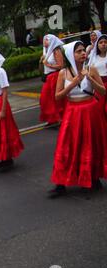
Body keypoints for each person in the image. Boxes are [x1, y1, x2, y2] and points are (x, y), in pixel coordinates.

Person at [49, 41, 107, 198]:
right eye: (78, 51)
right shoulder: (63, 73)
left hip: (90, 111)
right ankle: (60, 184)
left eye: (83, 50)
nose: (83, 53)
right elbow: (57, 96)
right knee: (66, 145)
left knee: (90, 145)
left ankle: (92, 178)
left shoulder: (91, 69)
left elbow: (102, 92)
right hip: (72, 112)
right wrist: (73, 84)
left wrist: (91, 79)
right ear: (70, 54)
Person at [39, 35, 65, 125]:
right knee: (45, 99)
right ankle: (52, 118)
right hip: (48, 77)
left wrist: (48, 65)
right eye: (44, 39)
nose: (44, 41)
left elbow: (61, 65)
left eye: (46, 39)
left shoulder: (56, 51)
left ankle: (59, 118)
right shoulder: (47, 52)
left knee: (55, 99)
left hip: (55, 76)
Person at [89, 34, 107, 117]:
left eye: (105, 42)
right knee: (100, 108)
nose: (103, 44)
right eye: (101, 42)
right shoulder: (94, 57)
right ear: (97, 45)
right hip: (98, 85)